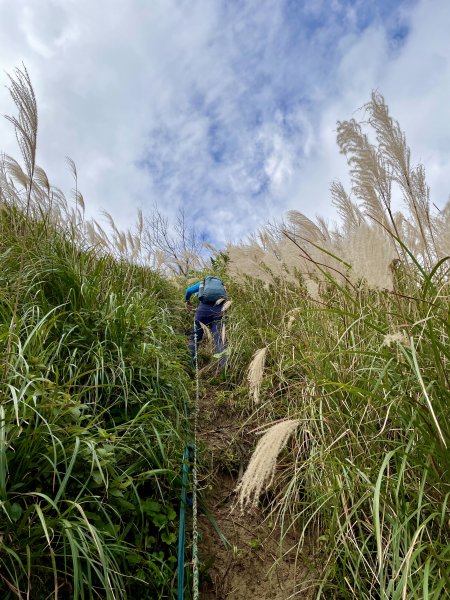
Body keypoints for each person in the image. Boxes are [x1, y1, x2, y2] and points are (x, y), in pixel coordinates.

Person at [185, 276, 227, 366]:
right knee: (219, 339)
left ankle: (191, 365)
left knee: (195, 338)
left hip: (202, 311)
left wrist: (187, 301)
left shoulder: (202, 284)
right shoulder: (222, 286)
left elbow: (188, 291)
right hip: (218, 311)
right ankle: (224, 367)